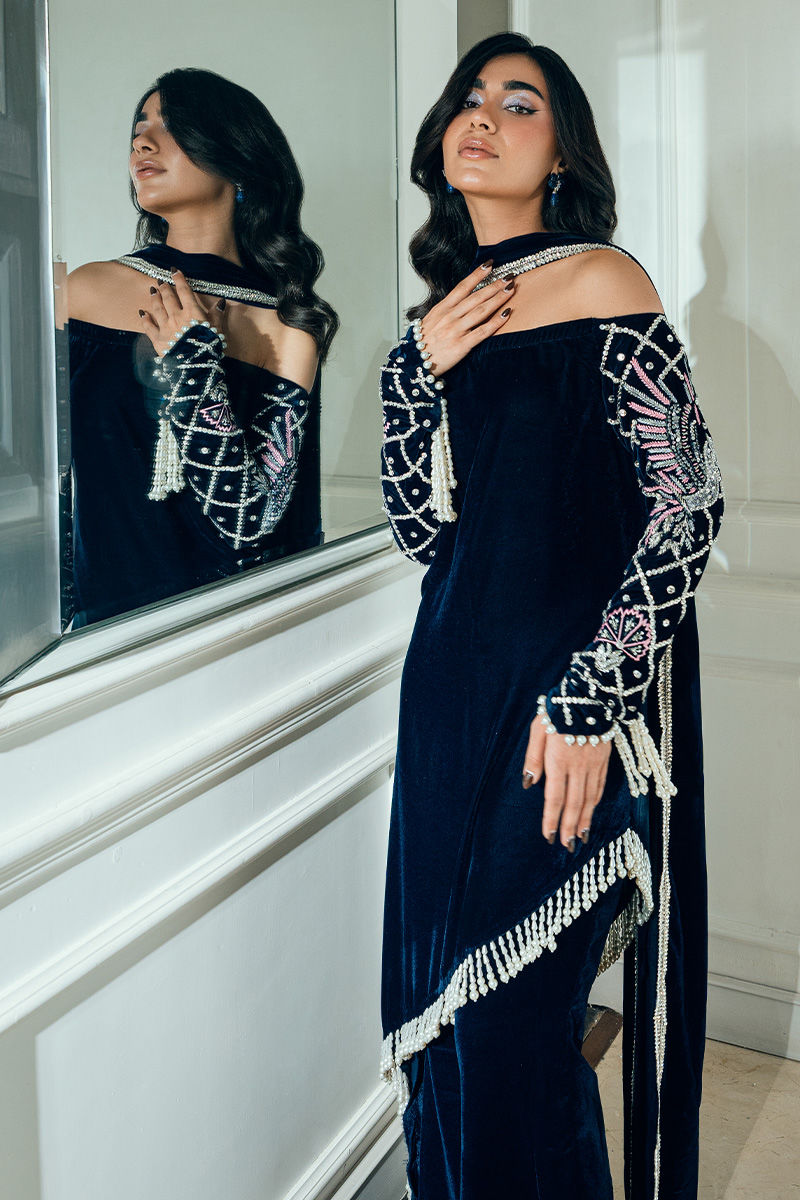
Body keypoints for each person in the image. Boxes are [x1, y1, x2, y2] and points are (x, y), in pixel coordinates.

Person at [378, 32, 724, 1200]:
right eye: (467, 99)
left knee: (515, 1040)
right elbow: (431, 539)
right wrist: (409, 374)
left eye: (516, 103)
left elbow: (685, 504)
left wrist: (589, 698)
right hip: (447, 705)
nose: (480, 116)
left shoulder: (601, 280)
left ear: (561, 151)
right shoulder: (445, 313)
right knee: (447, 1037)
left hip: (561, 711)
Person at [65, 67, 337, 627]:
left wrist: (195, 369)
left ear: (236, 155)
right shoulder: (85, 290)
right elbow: (45, 478)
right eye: (139, 127)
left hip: (218, 636)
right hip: (93, 637)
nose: (142, 142)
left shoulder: (288, 329)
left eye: (170, 126)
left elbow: (252, 522)